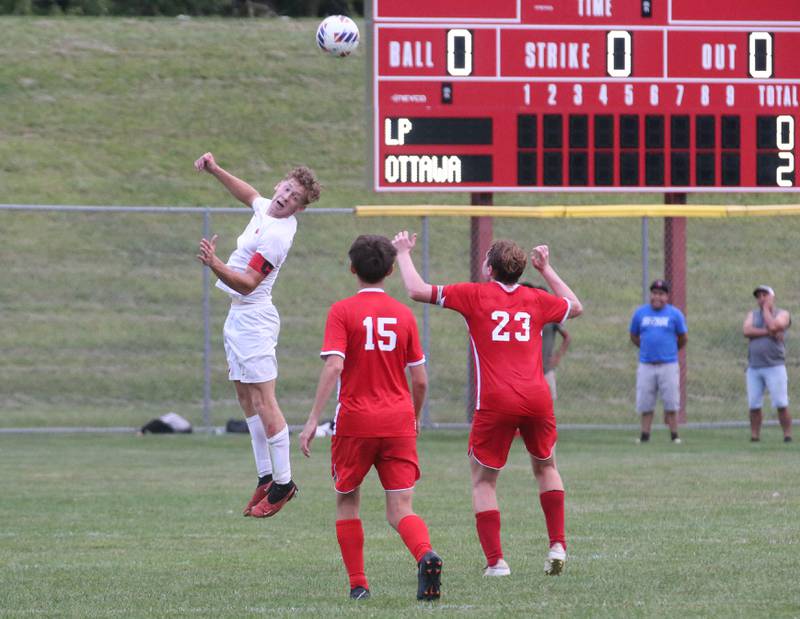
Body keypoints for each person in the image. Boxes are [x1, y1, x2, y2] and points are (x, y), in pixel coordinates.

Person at [392, 232, 582, 577]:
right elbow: (575, 306)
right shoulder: (535, 297)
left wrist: (403, 252)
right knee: (546, 467)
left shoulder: (473, 294)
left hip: (496, 399)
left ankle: (497, 563)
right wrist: (547, 269)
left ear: (489, 268)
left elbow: (417, 290)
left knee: (484, 482)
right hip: (537, 397)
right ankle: (557, 544)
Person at [299, 235, 442, 602]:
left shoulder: (342, 311)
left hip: (356, 423)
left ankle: (359, 584)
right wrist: (414, 418)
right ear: (392, 270)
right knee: (400, 509)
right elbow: (421, 379)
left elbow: (334, 365)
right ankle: (425, 553)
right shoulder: (404, 315)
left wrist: (313, 418)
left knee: (348, 500)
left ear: (352, 269)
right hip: (398, 422)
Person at [194, 152, 320, 517]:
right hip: (238, 319)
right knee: (246, 401)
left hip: (254, 318)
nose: (285, 197)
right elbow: (249, 194)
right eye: (286, 189)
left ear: (299, 208)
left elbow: (249, 284)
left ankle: (284, 483)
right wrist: (216, 169)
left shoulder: (279, 236)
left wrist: (214, 263)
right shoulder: (268, 207)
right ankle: (265, 476)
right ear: (279, 185)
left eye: (295, 197)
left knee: (264, 401)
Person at [629, 279, 687, 444]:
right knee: (645, 402)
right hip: (646, 364)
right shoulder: (640, 314)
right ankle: (645, 435)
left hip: (668, 364)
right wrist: (645, 347)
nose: (657, 297)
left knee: (671, 401)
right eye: (654, 293)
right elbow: (634, 335)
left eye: (661, 294)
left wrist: (671, 350)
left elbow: (683, 337)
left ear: (667, 296)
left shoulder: (675, 314)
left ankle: (674, 435)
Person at [743, 285, 792, 442]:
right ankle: (755, 436)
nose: (761, 299)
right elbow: (747, 331)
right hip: (755, 366)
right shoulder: (752, 314)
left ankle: (787, 435)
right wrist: (768, 333)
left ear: (773, 297)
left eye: (765, 295)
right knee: (754, 404)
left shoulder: (783, 314)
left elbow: (774, 325)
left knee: (781, 403)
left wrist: (766, 312)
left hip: (775, 366)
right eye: (759, 296)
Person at [520, 283, 571, 400]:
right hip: (527, 371)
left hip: (545, 369)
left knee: (547, 404)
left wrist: (558, 356)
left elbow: (567, 337)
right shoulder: (524, 317)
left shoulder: (551, 317)